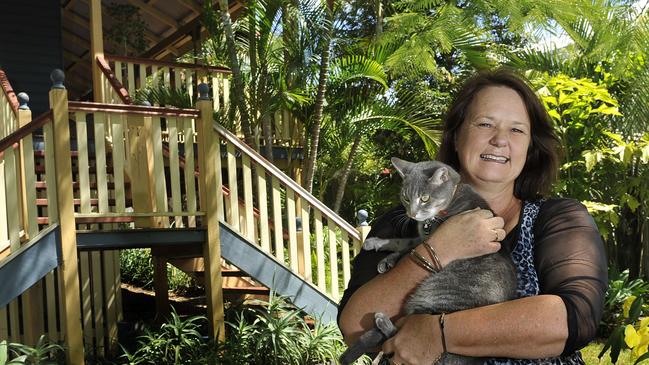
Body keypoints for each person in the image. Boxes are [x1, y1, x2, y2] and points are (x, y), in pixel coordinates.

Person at [337, 69, 608, 365]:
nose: (499, 140)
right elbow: (354, 327)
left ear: (530, 148)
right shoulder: (402, 220)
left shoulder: (558, 219)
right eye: (485, 123)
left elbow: (573, 320)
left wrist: (439, 333)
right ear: (455, 137)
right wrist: (439, 249)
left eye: (516, 130)